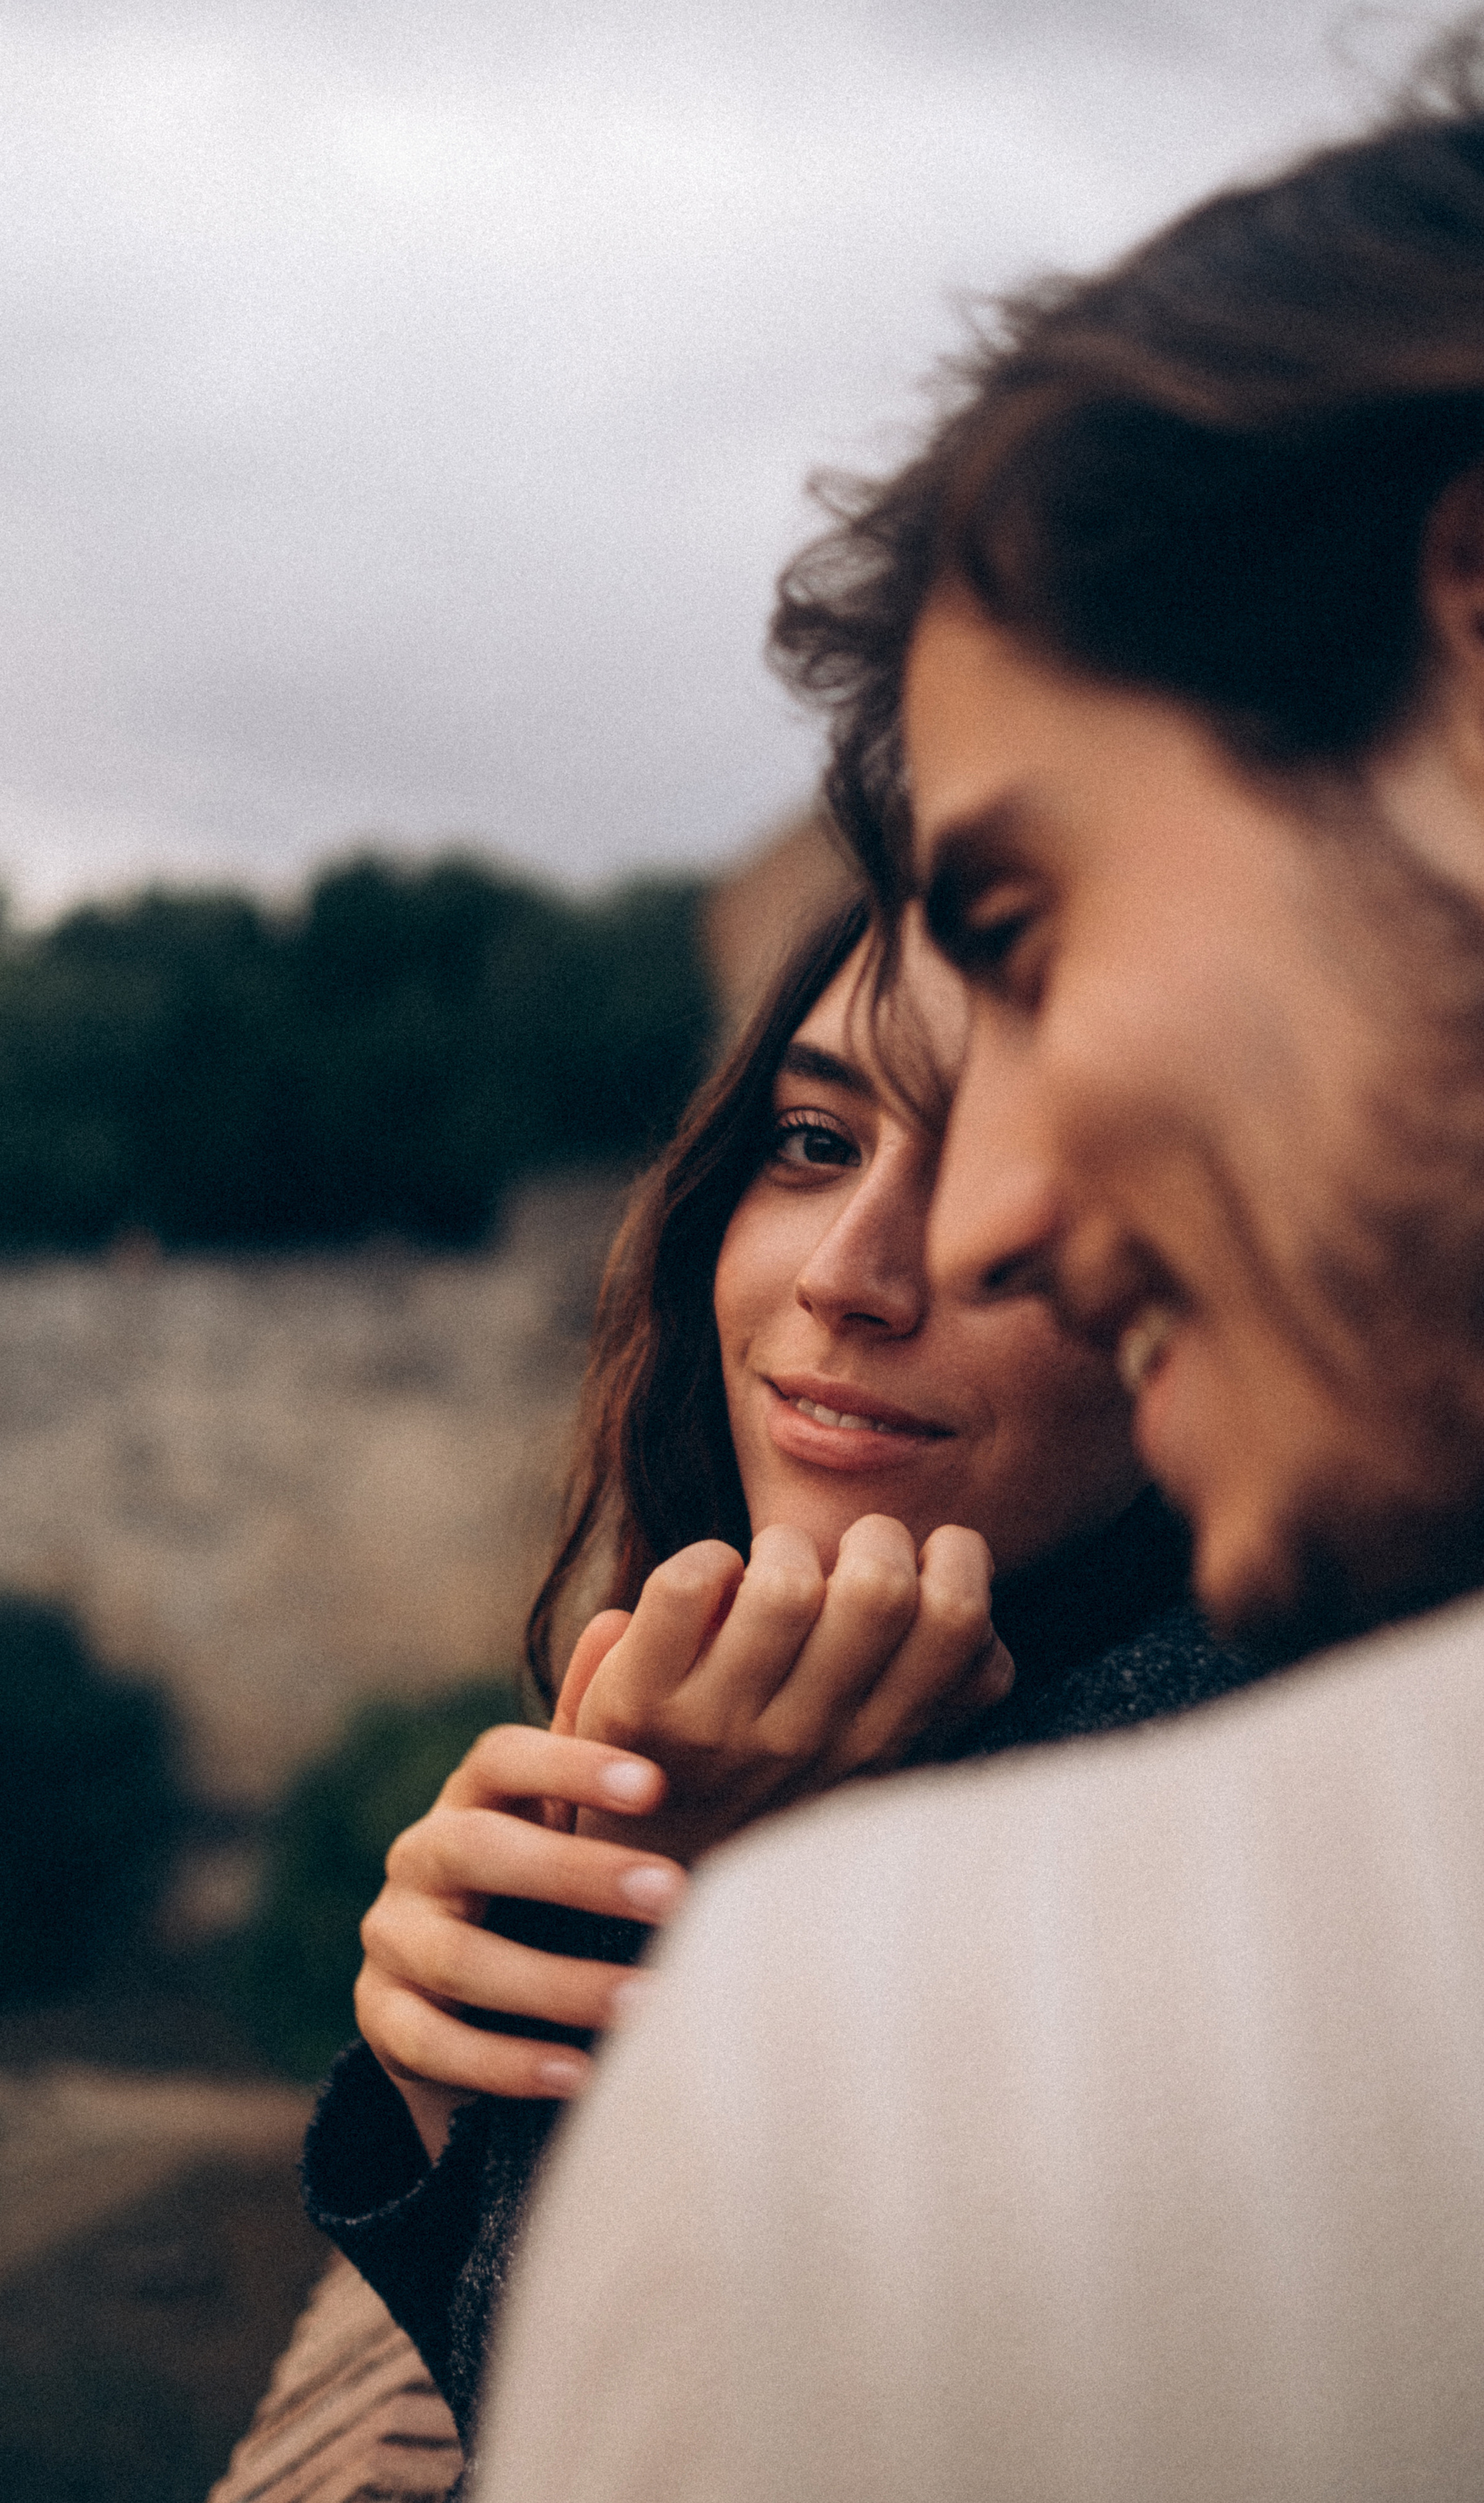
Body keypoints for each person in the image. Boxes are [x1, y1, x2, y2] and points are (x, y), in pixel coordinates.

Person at [469, 41, 1484, 2503]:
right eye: (810, 1141)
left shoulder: (963, 2033)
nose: (987, 1220)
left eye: (1026, 933)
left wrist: (763, 2019)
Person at [300, 895, 1258, 2457]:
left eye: (1023, 1176)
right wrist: (457, 2050)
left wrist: (713, 1954)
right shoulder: (963, 1722)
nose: (849, 1274)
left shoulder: (1223, 1827)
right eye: (813, 1140)